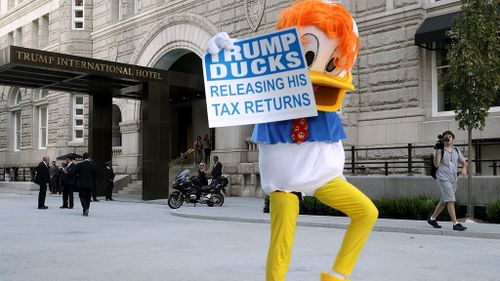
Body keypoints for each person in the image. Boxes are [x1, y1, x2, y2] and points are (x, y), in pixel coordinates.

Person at [428, 130, 468, 231]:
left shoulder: (456, 150)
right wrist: (437, 150)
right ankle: (455, 223)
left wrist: (464, 168)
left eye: (450, 136)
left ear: (452, 138)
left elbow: (464, 162)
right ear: (443, 139)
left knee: (444, 200)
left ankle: (432, 219)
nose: (448, 138)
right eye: (445, 137)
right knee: (450, 200)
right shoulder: (440, 150)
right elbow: (436, 165)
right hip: (443, 178)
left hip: (453, 178)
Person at [75, 152, 96, 216]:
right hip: (90, 184)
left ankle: (85, 208)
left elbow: (75, 173)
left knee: (82, 197)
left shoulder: (79, 165)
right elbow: (95, 175)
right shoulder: (92, 165)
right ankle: (87, 208)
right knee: (88, 197)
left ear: (83, 158)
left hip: (82, 184)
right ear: (89, 157)